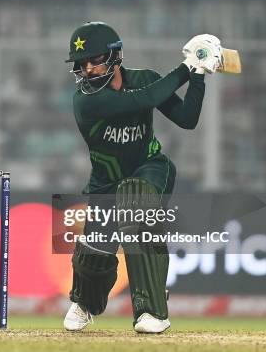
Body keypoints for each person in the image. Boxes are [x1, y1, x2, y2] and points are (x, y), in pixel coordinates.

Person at [62, 22, 221, 333]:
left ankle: (151, 311)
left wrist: (199, 76)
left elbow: (187, 120)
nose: (88, 70)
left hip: (149, 169)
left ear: (115, 56)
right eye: (81, 64)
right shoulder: (86, 100)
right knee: (93, 254)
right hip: (106, 182)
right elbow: (142, 100)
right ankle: (85, 302)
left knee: (134, 200)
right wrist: (188, 67)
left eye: (94, 60)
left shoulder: (144, 79)